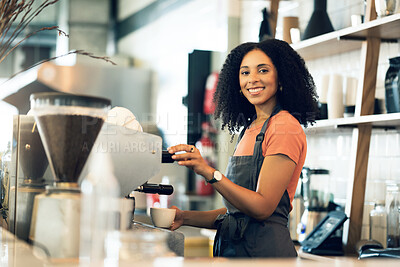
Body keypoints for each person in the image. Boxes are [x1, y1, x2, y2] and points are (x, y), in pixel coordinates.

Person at [167, 39, 319, 258]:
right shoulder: (249, 129)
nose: (253, 79)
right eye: (245, 73)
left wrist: (210, 173)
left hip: (266, 256)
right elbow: (237, 213)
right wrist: (185, 217)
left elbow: (262, 207)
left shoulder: (285, 127)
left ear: (281, 76)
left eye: (263, 70)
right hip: (236, 254)